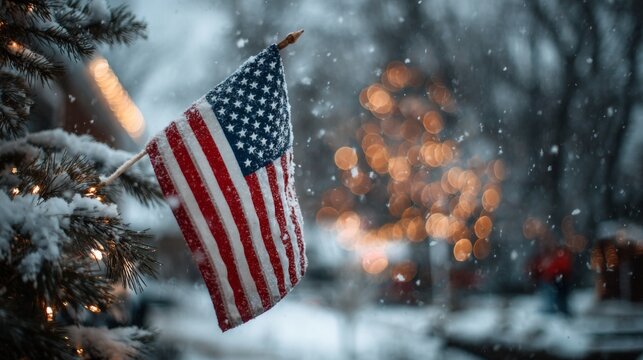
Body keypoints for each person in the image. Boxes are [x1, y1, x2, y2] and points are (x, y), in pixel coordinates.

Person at [528, 241, 573, 315]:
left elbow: (558, 269)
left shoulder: (559, 258)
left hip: (557, 281)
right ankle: (558, 311)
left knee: (557, 298)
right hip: (556, 281)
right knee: (557, 298)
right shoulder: (557, 257)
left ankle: (558, 311)